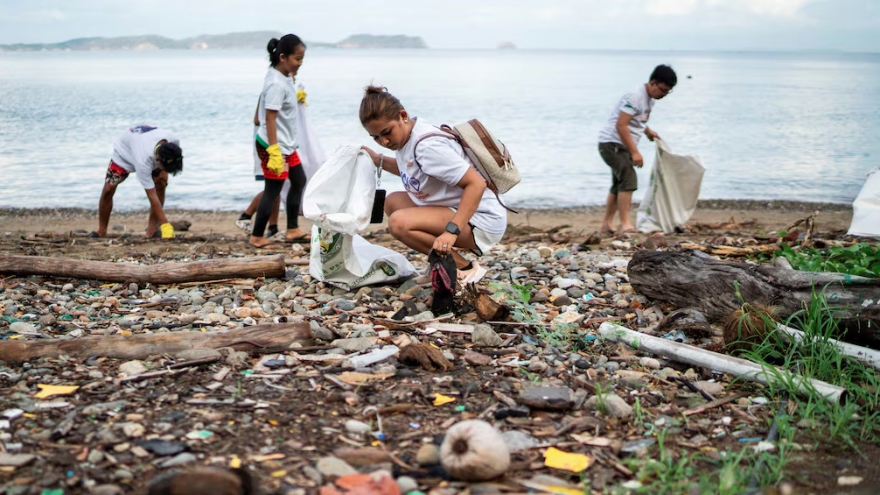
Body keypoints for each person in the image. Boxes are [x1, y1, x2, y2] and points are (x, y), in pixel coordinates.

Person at [359, 86, 507, 285]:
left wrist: (451, 232)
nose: (384, 141)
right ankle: (439, 263)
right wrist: (378, 160)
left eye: (386, 133)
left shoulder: (427, 147)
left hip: (483, 220)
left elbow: (476, 184)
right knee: (393, 202)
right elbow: (412, 170)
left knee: (399, 223)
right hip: (455, 209)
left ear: (403, 115)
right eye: (376, 137)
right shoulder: (406, 137)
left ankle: (463, 268)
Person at [598, 64, 677, 235]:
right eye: (662, 90)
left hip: (620, 144)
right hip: (612, 143)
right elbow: (621, 125)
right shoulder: (635, 97)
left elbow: (637, 121)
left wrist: (648, 132)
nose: (662, 95)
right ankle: (625, 224)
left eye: (666, 92)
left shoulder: (650, 100)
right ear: (653, 82)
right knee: (628, 180)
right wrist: (635, 152)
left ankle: (606, 224)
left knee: (618, 184)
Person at [249, 34, 309, 248]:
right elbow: (269, 118)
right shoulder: (276, 83)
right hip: (273, 145)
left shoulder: (283, 76)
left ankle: (292, 229)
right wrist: (274, 150)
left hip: (286, 145)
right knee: (273, 188)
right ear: (282, 57)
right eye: (297, 59)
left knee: (299, 180)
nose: (300, 63)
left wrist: (297, 95)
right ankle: (257, 235)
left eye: (302, 59)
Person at [97, 125, 183, 238]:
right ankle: (101, 231)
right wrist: (166, 224)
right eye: (163, 168)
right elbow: (151, 196)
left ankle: (151, 231)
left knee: (161, 182)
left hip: (144, 143)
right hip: (124, 154)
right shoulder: (143, 160)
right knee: (109, 189)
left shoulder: (173, 142)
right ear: (157, 160)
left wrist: (164, 171)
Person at [235, 97, 281, 239]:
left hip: (278, 144)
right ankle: (246, 215)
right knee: (273, 187)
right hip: (267, 145)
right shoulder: (273, 89)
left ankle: (273, 227)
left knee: (278, 186)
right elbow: (257, 119)